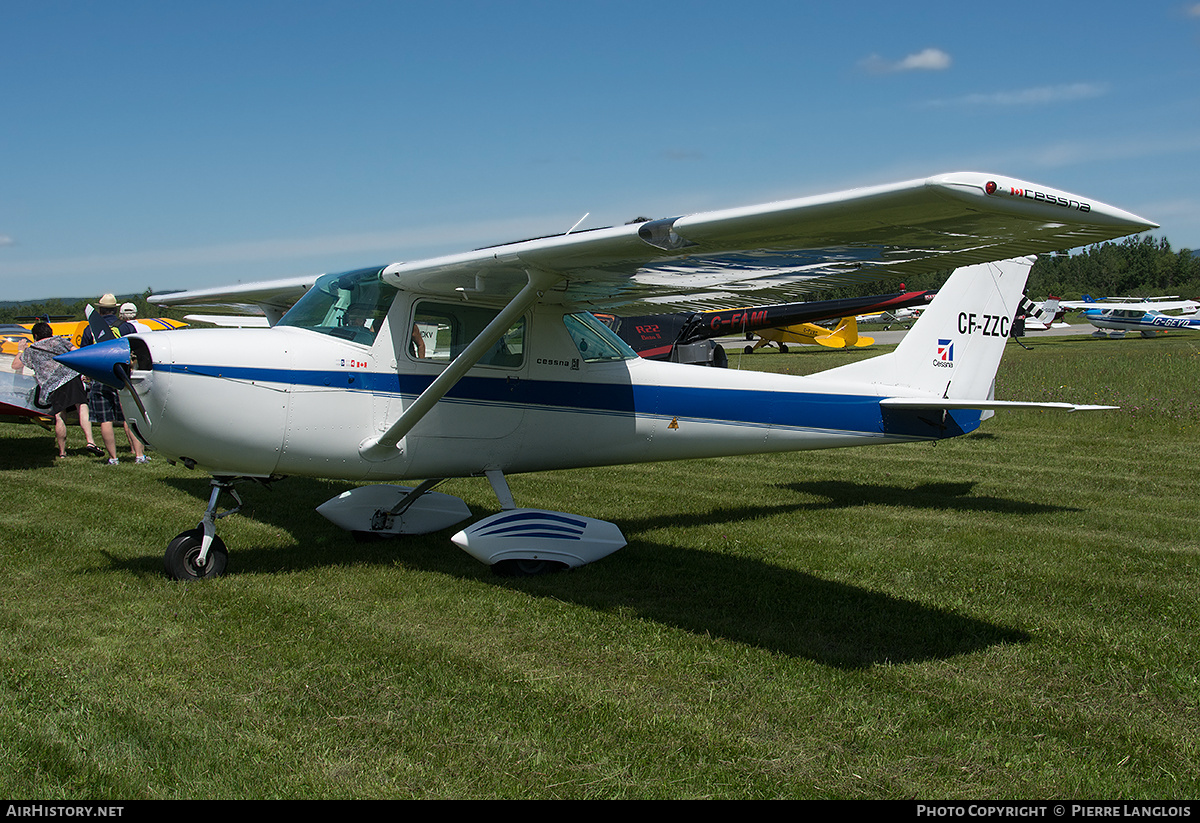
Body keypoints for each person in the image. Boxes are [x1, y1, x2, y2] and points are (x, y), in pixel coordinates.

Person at [11, 322, 101, 459]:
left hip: (52, 384)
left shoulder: (32, 350)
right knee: (82, 407)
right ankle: (90, 441)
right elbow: (76, 352)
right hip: (71, 377)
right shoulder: (60, 340)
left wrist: (20, 350)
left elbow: (15, 365)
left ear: (35, 335)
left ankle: (62, 452)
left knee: (60, 416)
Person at [80, 294, 148, 465]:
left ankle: (113, 458)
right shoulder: (126, 327)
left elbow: (85, 354)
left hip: (100, 375)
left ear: (100, 310)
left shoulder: (90, 329)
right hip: (123, 375)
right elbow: (135, 349)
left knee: (105, 419)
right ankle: (139, 455)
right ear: (116, 309)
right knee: (130, 416)